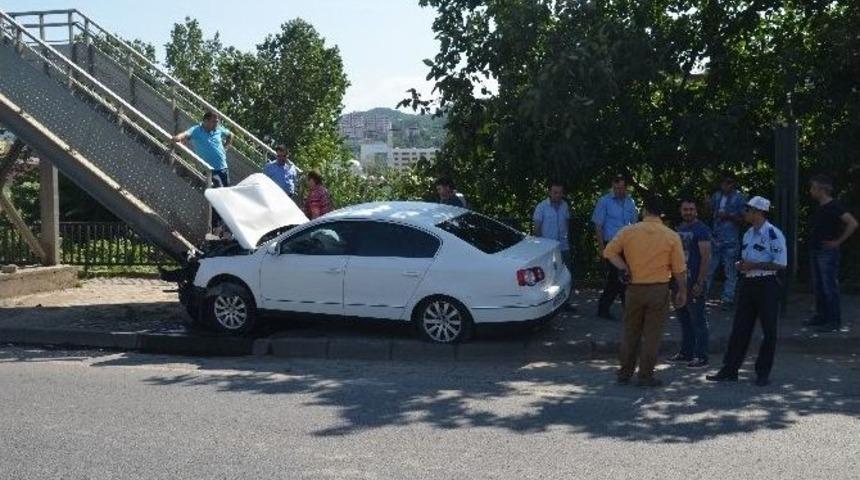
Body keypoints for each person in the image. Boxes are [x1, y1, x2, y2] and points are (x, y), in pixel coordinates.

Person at [604, 196, 687, 388]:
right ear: (662, 214)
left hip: (634, 288)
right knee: (652, 335)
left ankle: (624, 373)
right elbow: (679, 269)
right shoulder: (671, 236)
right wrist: (682, 290)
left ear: (644, 211)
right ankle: (645, 376)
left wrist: (624, 267)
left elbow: (609, 252)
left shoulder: (628, 231)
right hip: (659, 289)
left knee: (630, 332)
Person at [707, 196, 787, 387]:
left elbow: (781, 263)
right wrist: (742, 265)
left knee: (769, 331)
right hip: (749, 283)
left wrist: (754, 265)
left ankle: (762, 373)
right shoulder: (748, 234)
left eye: (749, 210)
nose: (746, 213)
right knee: (740, 328)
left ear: (759, 212)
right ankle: (730, 369)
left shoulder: (774, 234)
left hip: (767, 284)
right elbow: (748, 258)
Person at [804, 174, 858, 332]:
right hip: (816, 249)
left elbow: (852, 223)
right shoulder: (820, 206)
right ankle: (821, 316)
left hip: (827, 251)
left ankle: (833, 320)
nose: (811, 191)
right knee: (819, 285)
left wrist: (838, 241)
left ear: (821, 189)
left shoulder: (834, 206)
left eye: (813, 187)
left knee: (829, 286)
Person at [668, 198, 712, 368]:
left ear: (696, 211)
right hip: (679, 280)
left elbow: (706, 258)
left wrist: (700, 281)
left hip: (694, 281)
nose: (688, 212)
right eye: (685, 209)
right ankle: (686, 353)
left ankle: (701, 357)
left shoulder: (701, 230)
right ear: (681, 211)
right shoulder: (679, 229)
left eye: (691, 209)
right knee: (684, 319)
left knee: (698, 320)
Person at [592, 174, 638, 320]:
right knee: (615, 277)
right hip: (611, 245)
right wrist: (601, 248)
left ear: (626, 188)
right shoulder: (604, 202)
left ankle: (625, 309)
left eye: (622, 188)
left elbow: (635, 225)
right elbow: (598, 225)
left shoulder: (630, 202)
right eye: (616, 188)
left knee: (625, 276)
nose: (619, 191)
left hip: (628, 245)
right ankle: (604, 308)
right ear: (612, 187)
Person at [533, 181, 575, 308]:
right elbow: (537, 228)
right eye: (555, 192)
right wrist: (540, 246)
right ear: (549, 192)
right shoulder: (541, 207)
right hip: (548, 248)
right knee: (550, 276)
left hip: (563, 245)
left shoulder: (565, 206)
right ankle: (549, 303)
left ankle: (566, 301)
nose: (558, 195)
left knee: (566, 274)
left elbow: (566, 224)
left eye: (560, 193)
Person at [708, 175, 747, 306]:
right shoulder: (716, 196)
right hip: (716, 238)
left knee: (730, 271)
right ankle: (702, 295)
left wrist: (729, 216)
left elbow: (744, 219)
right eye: (724, 182)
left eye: (729, 183)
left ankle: (727, 298)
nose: (726, 185)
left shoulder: (740, 197)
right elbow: (709, 213)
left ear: (733, 184)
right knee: (709, 268)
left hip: (731, 239)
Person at [172, 110, 233, 188]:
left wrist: (226, 147)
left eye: (217, 122)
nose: (216, 124)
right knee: (216, 192)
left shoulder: (218, 129)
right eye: (213, 122)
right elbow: (185, 134)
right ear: (205, 121)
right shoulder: (196, 130)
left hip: (223, 168)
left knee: (225, 192)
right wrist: (177, 137)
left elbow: (230, 135)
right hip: (208, 170)